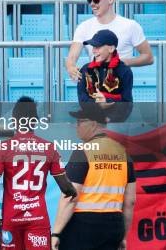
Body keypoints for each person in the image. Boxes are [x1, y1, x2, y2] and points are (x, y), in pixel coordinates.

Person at [0, 97, 77, 250]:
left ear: (14, 120)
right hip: (38, 219)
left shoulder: (3, 148)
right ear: (35, 120)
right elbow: (65, 187)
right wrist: (73, 192)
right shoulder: (49, 148)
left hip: (11, 219)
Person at [52, 105, 136, 250]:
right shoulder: (123, 153)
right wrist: (123, 236)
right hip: (113, 225)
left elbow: (71, 197)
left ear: (94, 124)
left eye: (80, 122)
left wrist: (56, 233)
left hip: (83, 226)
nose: (76, 126)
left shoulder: (83, 152)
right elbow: (130, 202)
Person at [66, 0, 153, 83]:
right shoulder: (83, 26)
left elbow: (148, 57)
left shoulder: (130, 26)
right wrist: (71, 67)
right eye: (90, 0)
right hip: (95, 87)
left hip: (121, 89)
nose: (92, 4)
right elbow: (72, 56)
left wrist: (123, 62)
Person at [77, 30, 133, 121]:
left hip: (114, 126)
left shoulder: (124, 71)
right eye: (93, 47)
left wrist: (107, 101)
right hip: (91, 124)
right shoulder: (85, 69)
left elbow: (127, 104)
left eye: (98, 47)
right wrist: (99, 104)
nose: (94, 51)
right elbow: (82, 101)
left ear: (111, 49)